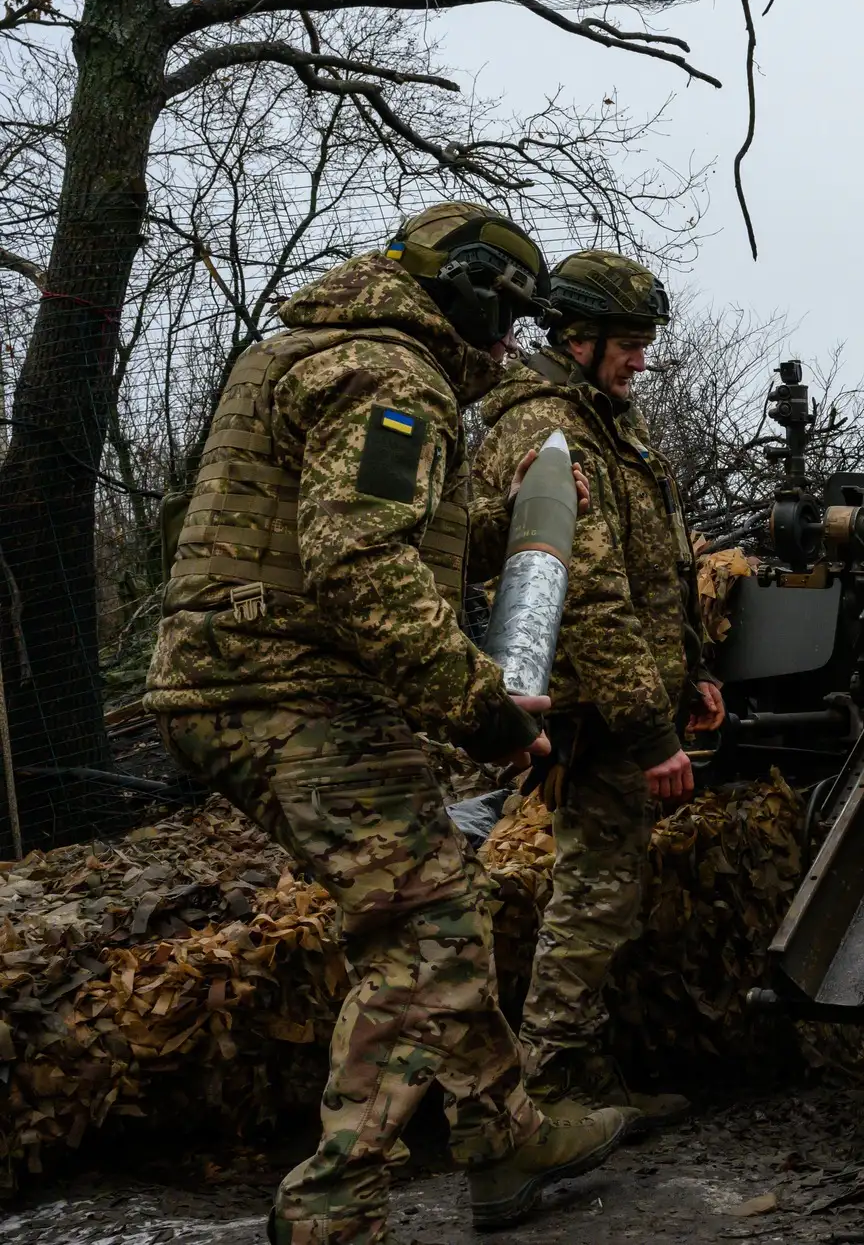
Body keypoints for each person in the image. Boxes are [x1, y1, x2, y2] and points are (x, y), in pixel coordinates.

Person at [145, 203, 628, 1243]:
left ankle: (503, 1132)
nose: (511, 345)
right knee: (421, 938)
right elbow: (357, 565)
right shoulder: (390, 379)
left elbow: (381, 535)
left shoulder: (311, 351)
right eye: (507, 318)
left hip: (246, 684)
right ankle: (335, 1202)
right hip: (290, 694)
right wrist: (479, 704)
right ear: (465, 293)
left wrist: (515, 522)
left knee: (433, 910)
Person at [474, 249, 722, 1127]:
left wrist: (687, 677)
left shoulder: (607, 420)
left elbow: (657, 571)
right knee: (593, 900)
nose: (641, 359)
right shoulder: (552, 427)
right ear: (577, 339)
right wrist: (654, 733)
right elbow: (588, 594)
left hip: (633, 697)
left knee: (604, 893)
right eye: (629, 343)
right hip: (600, 709)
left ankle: (575, 1074)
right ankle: (551, 1086)